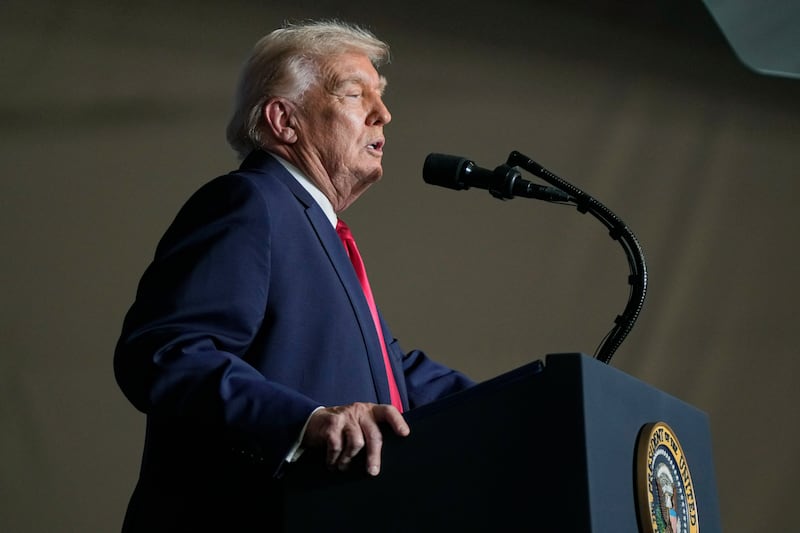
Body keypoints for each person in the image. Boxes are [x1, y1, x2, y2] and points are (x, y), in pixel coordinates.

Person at [113, 19, 474, 532]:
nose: (384, 113)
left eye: (382, 96)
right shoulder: (249, 202)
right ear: (284, 120)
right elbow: (165, 352)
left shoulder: (319, 232)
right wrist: (303, 425)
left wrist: (543, 400)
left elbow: (393, 375)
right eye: (356, 93)